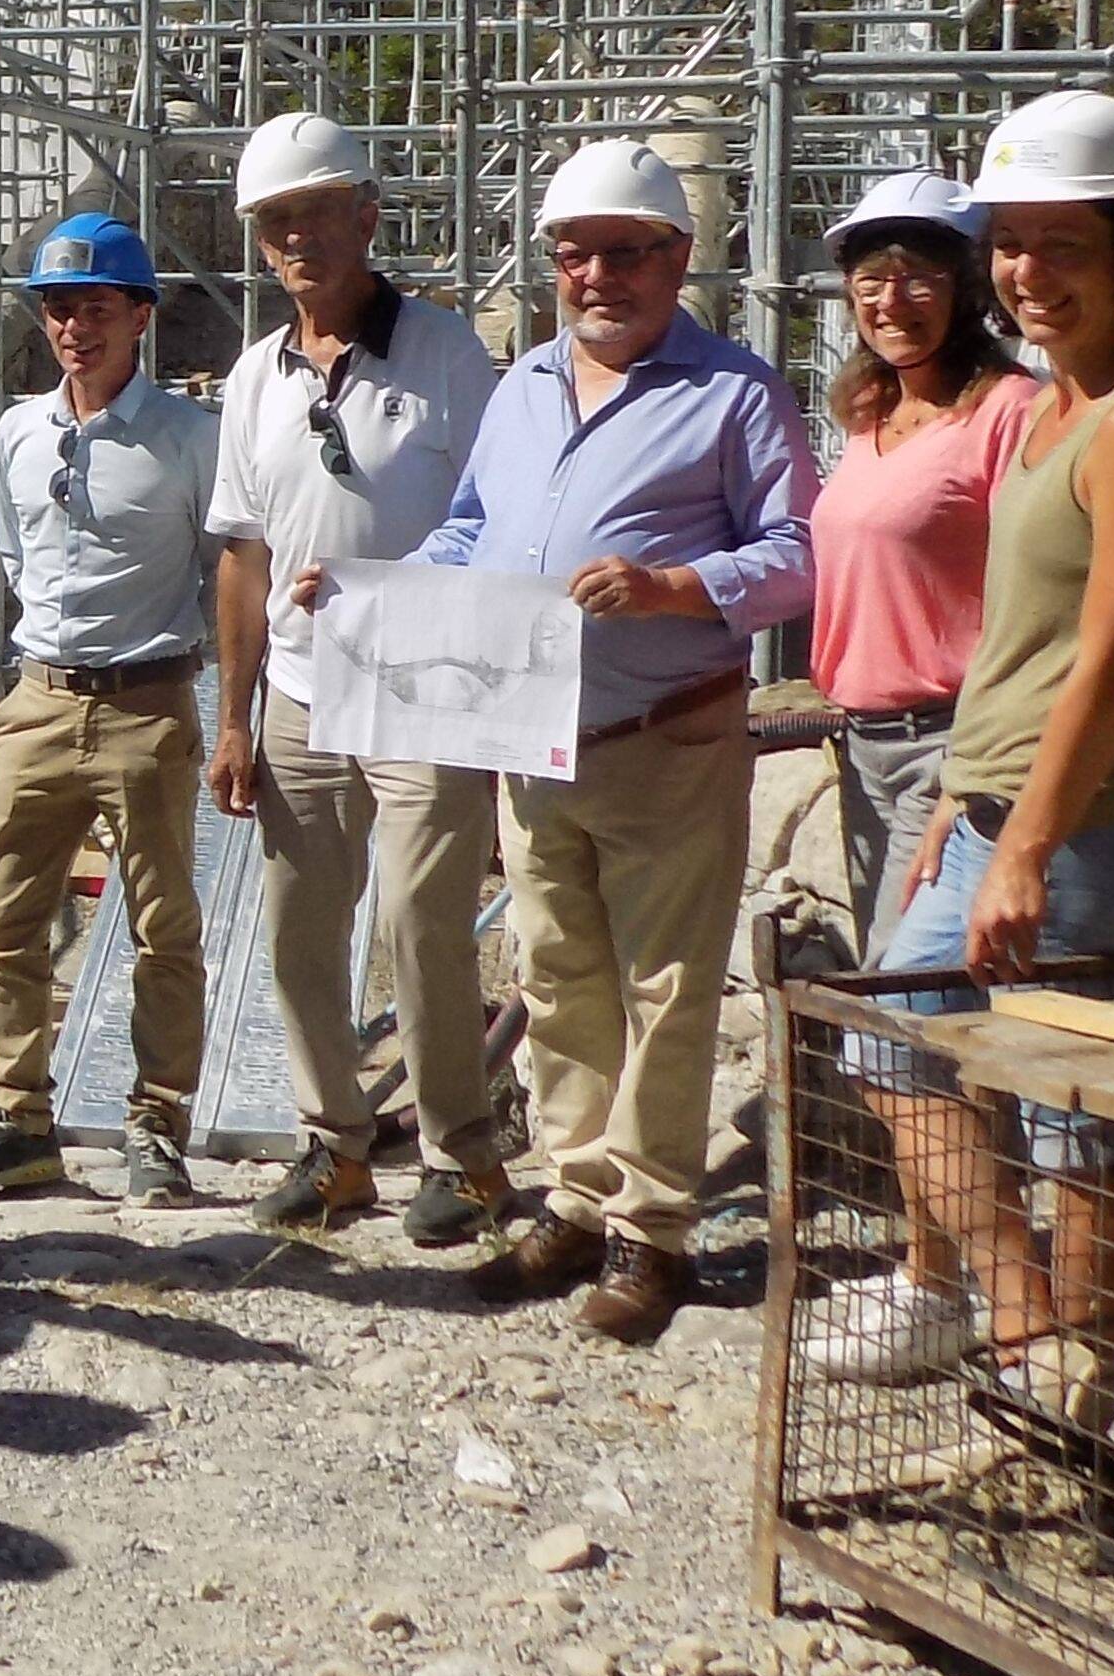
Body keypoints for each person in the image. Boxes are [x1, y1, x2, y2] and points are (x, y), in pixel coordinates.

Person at [338, 137, 815, 1346]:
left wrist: (671, 587)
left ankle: (652, 1231)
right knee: (557, 978)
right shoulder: (524, 386)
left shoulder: (733, 392)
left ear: (676, 258)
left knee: (665, 987)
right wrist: (367, 599)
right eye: (574, 254)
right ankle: (576, 1194)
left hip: (664, 734)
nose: (596, 275)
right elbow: (467, 534)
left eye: (623, 253)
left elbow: (798, 554)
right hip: (531, 734)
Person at [859, 92, 1114, 1434]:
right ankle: (1030, 1345)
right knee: (898, 1060)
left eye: (1058, 243)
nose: (1024, 273)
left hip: (1076, 830)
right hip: (990, 809)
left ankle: (1056, 1375)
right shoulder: (1043, 412)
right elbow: (1010, 649)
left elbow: (1109, 662)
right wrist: (955, 813)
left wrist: (1017, 844)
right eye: (1008, 244)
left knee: (1068, 1118)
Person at [205, 115, 510, 1242]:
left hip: (422, 679)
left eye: (313, 213)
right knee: (297, 927)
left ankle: (461, 1155)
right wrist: (231, 720)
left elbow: (491, 520)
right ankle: (332, 1144)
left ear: (364, 217)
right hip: (296, 689)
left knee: (422, 921)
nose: (294, 237)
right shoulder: (251, 378)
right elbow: (241, 554)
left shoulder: (444, 354)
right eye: (274, 221)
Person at [0, 212, 226, 1207]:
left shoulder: (190, 439)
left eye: (93, 307)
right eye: (56, 308)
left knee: (160, 929)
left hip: (146, 702)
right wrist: (15, 706)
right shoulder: (17, 430)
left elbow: (224, 575)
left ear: (139, 314)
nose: (72, 328)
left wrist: (230, 717)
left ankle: (155, 1124)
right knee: (5, 922)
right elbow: (15, 559)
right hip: (38, 700)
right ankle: (18, 1121)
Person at [790, 167, 1035, 1387]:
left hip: (956, 744)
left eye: (920, 274)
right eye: (872, 275)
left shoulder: (1007, 414)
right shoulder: (866, 412)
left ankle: (982, 1294)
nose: (893, 297)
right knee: (906, 1022)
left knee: (911, 1022)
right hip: (866, 740)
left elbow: (1036, 595)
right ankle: (934, 1275)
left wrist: (976, 765)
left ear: (965, 285)